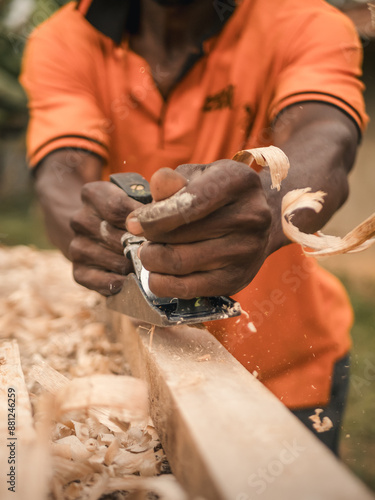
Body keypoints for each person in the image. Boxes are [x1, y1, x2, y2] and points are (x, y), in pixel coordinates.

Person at [20, 0, 367, 454]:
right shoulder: (66, 39)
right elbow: (61, 173)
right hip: (142, 388)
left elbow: (326, 138)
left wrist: (265, 204)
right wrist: (90, 227)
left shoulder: (305, 21)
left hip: (287, 374)